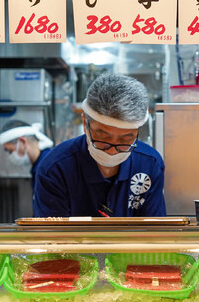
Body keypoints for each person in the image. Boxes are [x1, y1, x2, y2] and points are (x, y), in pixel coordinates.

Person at [33, 73, 166, 217]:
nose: (113, 151)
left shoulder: (150, 164)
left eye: (125, 140)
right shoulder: (55, 169)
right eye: (103, 138)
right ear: (85, 123)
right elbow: (53, 236)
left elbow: (155, 231)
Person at [0, 120, 54, 196]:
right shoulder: (40, 165)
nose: (10, 156)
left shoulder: (47, 167)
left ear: (23, 142)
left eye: (11, 151)